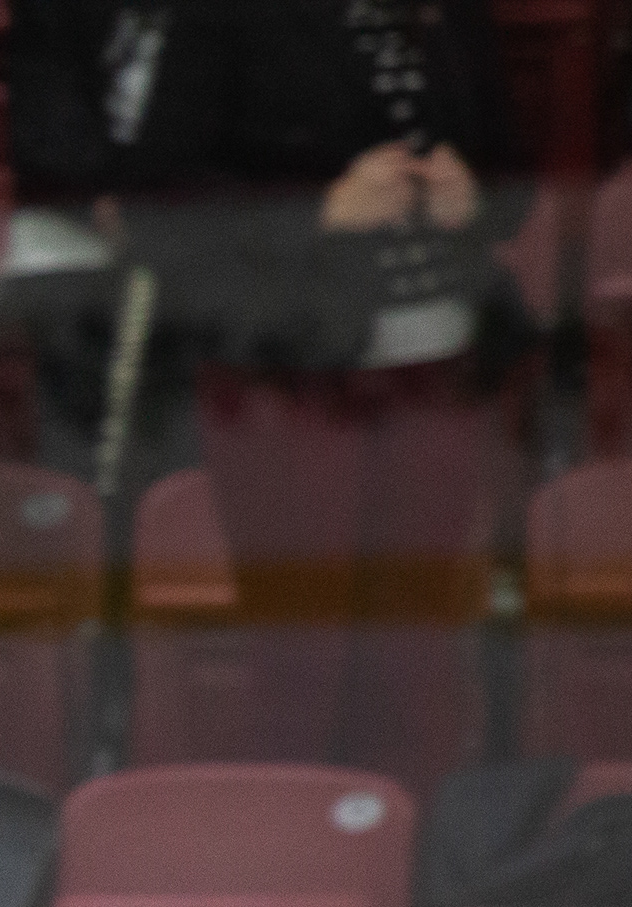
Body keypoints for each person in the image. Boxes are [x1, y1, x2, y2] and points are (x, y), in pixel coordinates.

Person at [90, 0, 533, 784]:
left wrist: (481, 199)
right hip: (289, 377)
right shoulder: (229, 18)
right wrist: (319, 212)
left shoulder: (450, 12)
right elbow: (154, 211)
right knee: (304, 666)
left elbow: (513, 175)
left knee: (417, 666)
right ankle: (305, 881)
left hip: (438, 368)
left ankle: (403, 875)